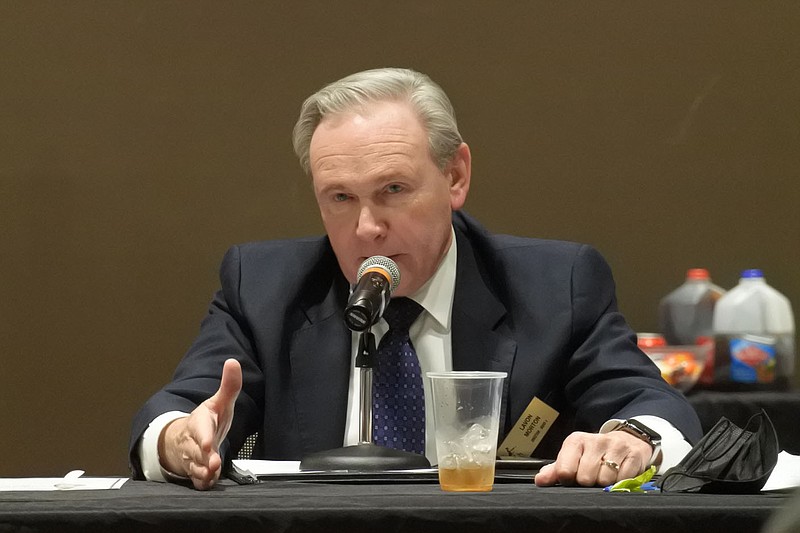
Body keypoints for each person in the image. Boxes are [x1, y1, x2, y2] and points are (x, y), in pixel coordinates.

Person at [129, 67, 702, 490]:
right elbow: (177, 410)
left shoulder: (557, 285)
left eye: (393, 190)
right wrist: (179, 438)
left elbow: (652, 404)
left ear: (455, 177)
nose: (367, 228)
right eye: (340, 198)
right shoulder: (262, 286)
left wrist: (632, 438)